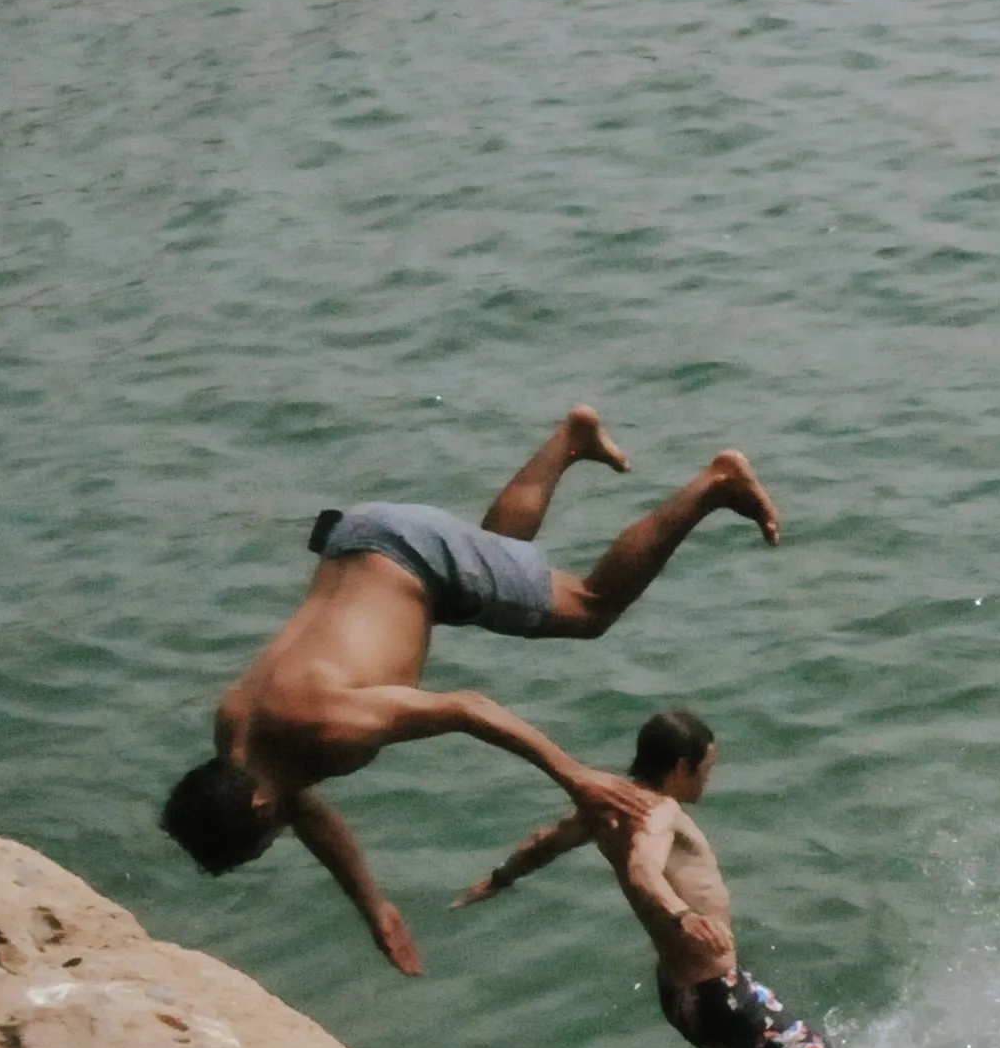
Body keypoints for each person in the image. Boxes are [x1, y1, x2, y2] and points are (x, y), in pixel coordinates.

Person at [163, 407, 782, 973]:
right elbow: (304, 810)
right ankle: (571, 440)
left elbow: (467, 708)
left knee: (592, 608)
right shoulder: (237, 738)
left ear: (258, 810)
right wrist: (375, 907)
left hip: (412, 555)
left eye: (264, 842)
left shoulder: (328, 722)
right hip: (363, 546)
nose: (278, 838)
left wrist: (574, 776)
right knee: (498, 564)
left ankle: (715, 484)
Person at [460, 708, 868, 1048]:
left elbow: (545, 841)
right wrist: (683, 915)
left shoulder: (608, 805)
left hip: (684, 995)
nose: (708, 778)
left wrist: (498, 878)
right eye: (706, 767)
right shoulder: (660, 811)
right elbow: (641, 870)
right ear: (681, 766)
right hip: (719, 996)